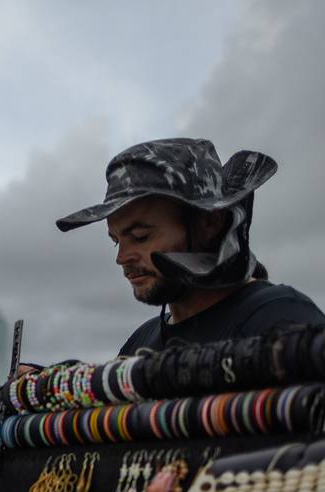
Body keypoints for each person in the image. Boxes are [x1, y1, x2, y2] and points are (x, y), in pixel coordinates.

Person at [56, 138, 325, 354]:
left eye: (140, 237)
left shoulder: (280, 318)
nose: (122, 258)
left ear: (209, 224)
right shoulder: (141, 341)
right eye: (116, 241)